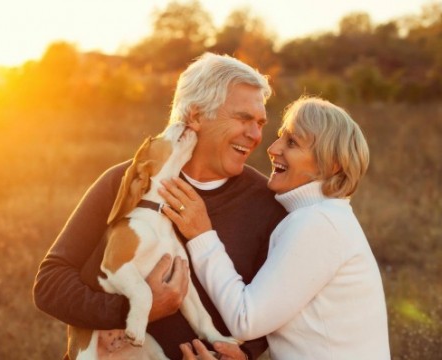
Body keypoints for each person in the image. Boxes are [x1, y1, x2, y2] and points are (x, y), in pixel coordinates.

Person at [33, 52, 287, 360]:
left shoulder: (267, 204)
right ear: (194, 115)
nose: (256, 135)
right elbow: (50, 284)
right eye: (243, 119)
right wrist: (134, 310)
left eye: (260, 122)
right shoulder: (125, 182)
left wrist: (242, 356)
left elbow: (272, 313)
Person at [160, 96, 391, 359]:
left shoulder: (318, 223)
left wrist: (201, 234)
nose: (272, 148)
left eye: (292, 142)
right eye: (281, 136)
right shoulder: (323, 217)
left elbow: (246, 319)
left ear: (332, 163)